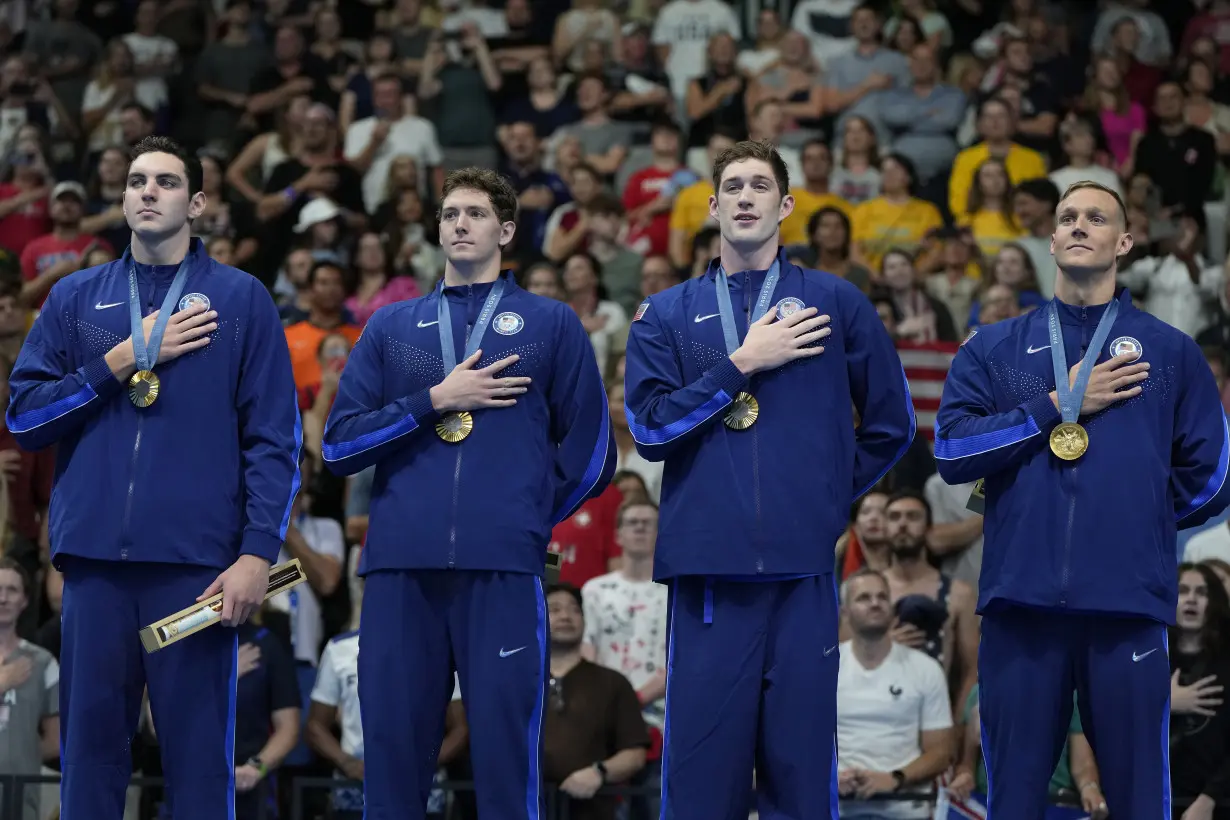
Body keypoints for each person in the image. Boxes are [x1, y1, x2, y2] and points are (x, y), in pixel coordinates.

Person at [4, 135, 302, 819]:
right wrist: (119, 360)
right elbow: (25, 418)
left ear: (196, 202)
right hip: (97, 567)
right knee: (92, 756)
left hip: (194, 568)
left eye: (166, 182)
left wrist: (258, 551)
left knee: (200, 760)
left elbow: (274, 440)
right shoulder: (76, 299)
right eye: (137, 180)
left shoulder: (241, 299)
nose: (146, 191)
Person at [622, 139, 916, 819]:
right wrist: (741, 364)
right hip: (708, 573)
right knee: (701, 775)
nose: (746, 197)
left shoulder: (836, 301)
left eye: (761, 186)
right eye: (734, 186)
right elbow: (651, 430)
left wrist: (823, 501)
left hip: (802, 568)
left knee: (802, 769)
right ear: (715, 204)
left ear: (786, 205)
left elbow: (892, 423)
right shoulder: (665, 313)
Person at [321, 167, 617, 820]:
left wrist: (526, 520)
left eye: (476, 214)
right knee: (393, 764)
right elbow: (339, 446)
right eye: (450, 213)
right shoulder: (392, 327)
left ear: (506, 230)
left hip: (503, 567)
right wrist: (434, 400)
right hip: (401, 567)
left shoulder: (551, 322)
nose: (460, 223)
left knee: (509, 764)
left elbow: (594, 452)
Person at [934, 180, 1230, 819]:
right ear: (1051, 238)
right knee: (1012, 797)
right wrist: (1055, 406)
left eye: (1096, 218)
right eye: (1067, 216)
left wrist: (1138, 526)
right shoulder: (994, 346)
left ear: (1123, 241)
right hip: (1020, 609)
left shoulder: (1170, 352)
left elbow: (1211, 475)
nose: (1078, 225)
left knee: (1138, 800)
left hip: (1126, 605)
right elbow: (952, 451)